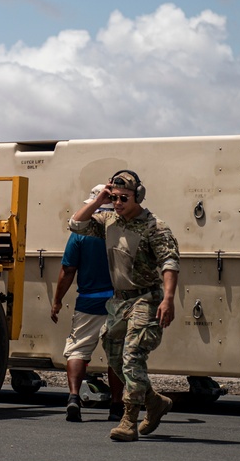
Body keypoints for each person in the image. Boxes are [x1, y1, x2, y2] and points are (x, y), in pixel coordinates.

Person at [68, 170, 180, 442]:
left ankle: (129, 419)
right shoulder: (108, 220)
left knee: (133, 356)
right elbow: (75, 224)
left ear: (138, 196)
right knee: (114, 355)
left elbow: (169, 262)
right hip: (119, 300)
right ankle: (154, 402)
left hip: (146, 298)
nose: (118, 203)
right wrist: (99, 200)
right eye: (114, 197)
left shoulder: (155, 226)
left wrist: (168, 299)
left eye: (123, 198)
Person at [51, 184, 123, 423]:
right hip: (118, 302)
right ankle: (116, 405)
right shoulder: (122, 229)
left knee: (78, 350)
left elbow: (68, 269)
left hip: (88, 302)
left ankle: (73, 397)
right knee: (116, 355)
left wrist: (57, 300)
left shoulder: (80, 233)